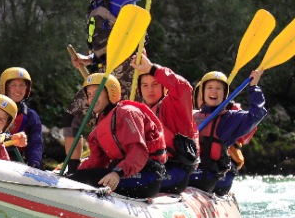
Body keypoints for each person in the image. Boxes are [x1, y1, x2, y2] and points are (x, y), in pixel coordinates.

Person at [62, 0, 161, 173]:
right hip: (106, 73)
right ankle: (72, 171)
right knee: (72, 116)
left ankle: (135, 167)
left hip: (128, 70)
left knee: (124, 121)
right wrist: (87, 59)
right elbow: (103, 49)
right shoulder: (92, 7)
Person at [68, 73, 168, 199]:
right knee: (81, 176)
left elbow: (138, 153)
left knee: (85, 178)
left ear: (111, 93)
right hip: (126, 173)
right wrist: (73, 175)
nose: (91, 98)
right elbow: (96, 161)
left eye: (97, 93)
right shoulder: (100, 127)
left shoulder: (127, 113)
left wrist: (117, 173)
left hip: (147, 176)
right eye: (89, 95)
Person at [189, 70, 268, 195]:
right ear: (202, 93)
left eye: (218, 88)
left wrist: (254, 88)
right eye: (209, 87)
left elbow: (257, 114)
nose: (214, 91)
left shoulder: (230, 118)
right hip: (190, 170)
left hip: (210, 176)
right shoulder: (191, 116)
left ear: (225, 94)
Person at [131, 54, 199, 194]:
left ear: (164, 88)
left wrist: (152, 69)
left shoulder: (173, 105)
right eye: (145, 86)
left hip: (174, 170)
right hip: (149, 167)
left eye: (155, 84)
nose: (150, 90)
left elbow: (184, 88)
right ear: (139, 90)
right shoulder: (136, 112)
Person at [0, 67, 43, 168]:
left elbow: (35, 143)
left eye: (22, 85)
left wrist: (34, 162)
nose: (18, 89)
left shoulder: (31, 116)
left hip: (15, 162)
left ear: (27, 88)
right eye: (13, 85)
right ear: (5, 87)